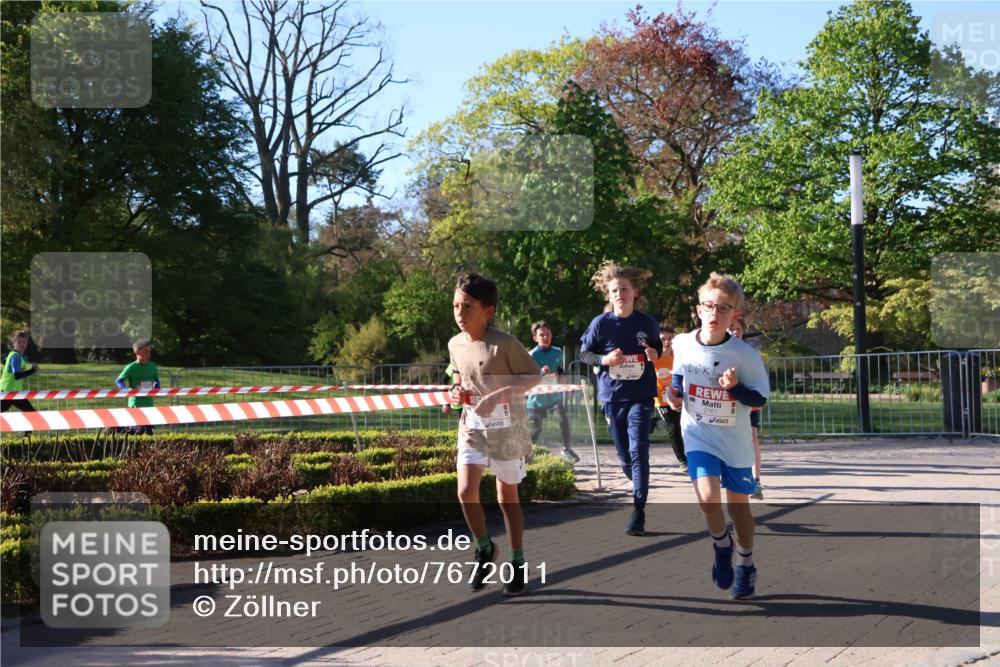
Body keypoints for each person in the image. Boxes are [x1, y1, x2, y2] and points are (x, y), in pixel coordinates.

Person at [665, 272, 769, 600]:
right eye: (709, 306)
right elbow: (679, 375)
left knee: (739, 511)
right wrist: (674, 394)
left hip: (735, 443)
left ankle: (746, 563)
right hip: (698, 435)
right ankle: (722, 545)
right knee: (707, 498)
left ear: (734, 314)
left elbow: (760, 398)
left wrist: (735, 388)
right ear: (698, 309)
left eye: (723, 308)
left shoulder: (744, 355)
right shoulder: (682, 343)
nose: (714, 313)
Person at [448, 272, 541, 596]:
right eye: (456, 306)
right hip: (472, 427)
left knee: (507, 496)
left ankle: (516, 560)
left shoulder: (504, 343)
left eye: (468, 306)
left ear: (487, 311)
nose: (460, 313)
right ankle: (484, 547)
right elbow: (459, 378)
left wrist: (499, 395)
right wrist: (455, 393)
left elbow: (534, 377)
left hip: (507, 429)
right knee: (465, 491)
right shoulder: (455, 344)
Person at [580, 261, 662, 537]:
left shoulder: (646, 322)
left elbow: (657, 347)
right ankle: (636, 476)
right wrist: (604, 359)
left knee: (639, 451)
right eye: (615, 290)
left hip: (641, 395)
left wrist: (655, 353)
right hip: (613, 397)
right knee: (625, 457)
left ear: (635, 291)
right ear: (609, 294)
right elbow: (584, 354)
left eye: (625, 289)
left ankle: (638, 511)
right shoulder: (600, 323)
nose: (620, 294)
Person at [526, 320, 579, 465]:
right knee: (536, 428)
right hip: (536, 399)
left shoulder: (558, 351)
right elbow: (527, 376)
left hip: (554, 396)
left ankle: (566, 449)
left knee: (563, 420)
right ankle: (527, 454)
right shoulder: (532, 354)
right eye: (541, 335)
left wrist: (563, 374)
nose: (545, 337)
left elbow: (558, 367)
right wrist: (540, 372)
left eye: (547, 334)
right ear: (535, 338)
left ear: (551, 335)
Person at [730, 318, 764, 500]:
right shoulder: (718, 352)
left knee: (752, 438)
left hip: (747, 402)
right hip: (726, 405)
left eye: (738, 329)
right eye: (732, 328)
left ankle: (756, 482)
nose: (735, 331)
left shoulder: (749, 353)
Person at [652, 321, 687, 472]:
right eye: (662, 339)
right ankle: (683, 461)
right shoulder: (653, 358)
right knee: (673, 428)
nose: (667, 342)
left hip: (679, 398)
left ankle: (692, 455)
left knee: (685, 427)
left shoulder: (678, 357)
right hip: (662, 401)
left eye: (670, 338)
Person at [115, 339, 160, 435]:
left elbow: (156, 380)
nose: (149, 355)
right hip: (135, 405)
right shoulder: (131, 367)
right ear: (137, 352)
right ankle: (117, 427)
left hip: (149, 405)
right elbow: (119, 380)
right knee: (137, 433)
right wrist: (125, 389)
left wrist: (156, 385)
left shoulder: (153, 367)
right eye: (146, 351)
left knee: (149, 433)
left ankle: (118, 427)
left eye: (149, 352)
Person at [1, 330, 39, 413]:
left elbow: (4, 361)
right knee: (32, 413)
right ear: (13, 343)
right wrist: (33, 370)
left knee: (32, 413)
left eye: (24, 342)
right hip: (6, 392)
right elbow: (17, 376)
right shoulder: (15, 357)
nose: (22, 344)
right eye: (19, 342)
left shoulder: (14, 355)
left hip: (14, 393)